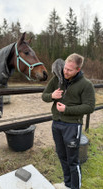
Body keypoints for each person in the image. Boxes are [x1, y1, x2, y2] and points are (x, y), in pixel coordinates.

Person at [42, 53, 95, 189]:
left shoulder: (86, 84)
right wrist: (52, 96)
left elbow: (89, 107)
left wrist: (67, 109)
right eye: (65, 68)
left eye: (69, 70)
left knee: (73, 161)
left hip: (72, 126)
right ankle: (67, 184)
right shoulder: (56, 79)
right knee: (62, 156)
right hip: (56, 124)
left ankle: (75, 187)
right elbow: (44, 96)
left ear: (78, 69)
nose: (65, 71)